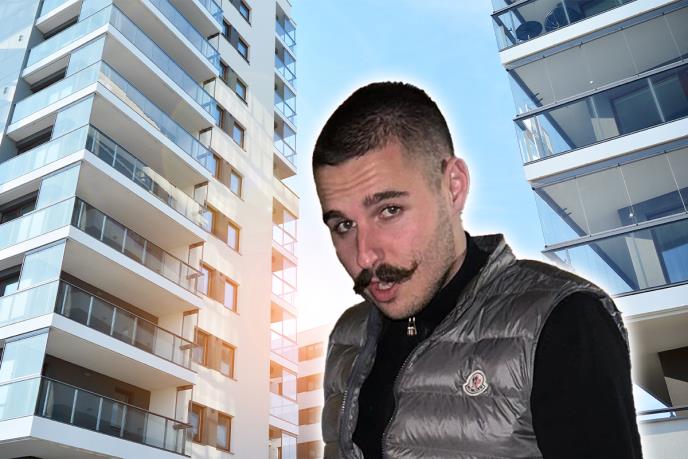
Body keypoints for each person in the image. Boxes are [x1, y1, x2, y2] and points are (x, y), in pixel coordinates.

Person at [312, 82, 643, 458]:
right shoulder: (349, 335)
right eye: (344, 225)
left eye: (389, 210)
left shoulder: (563, 317)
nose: (364, 256)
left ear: (453, 188)